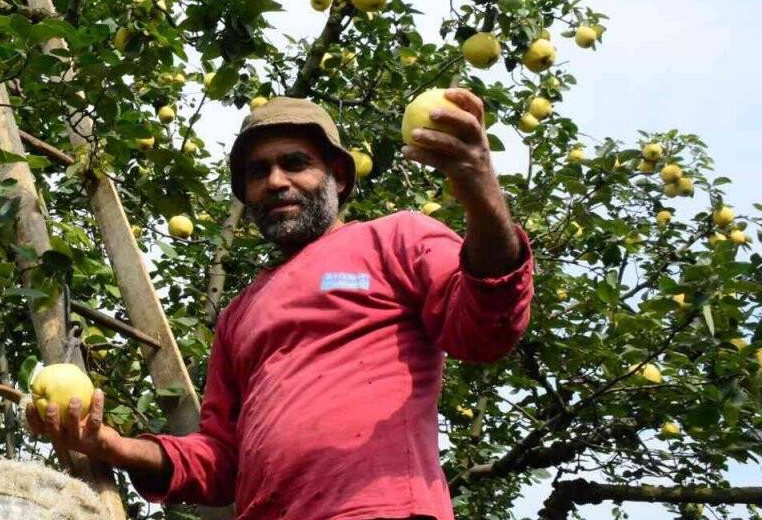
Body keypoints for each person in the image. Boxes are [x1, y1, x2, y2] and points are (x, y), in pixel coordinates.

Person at [26, 91, 534, 520]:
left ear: (337, 176)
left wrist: (478, 183)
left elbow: (487, 326)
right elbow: (221, 460)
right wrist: (112, 446)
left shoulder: (395, 238)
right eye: (258, 172)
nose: (274, 181)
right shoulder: (240, 313)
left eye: (295, 163)